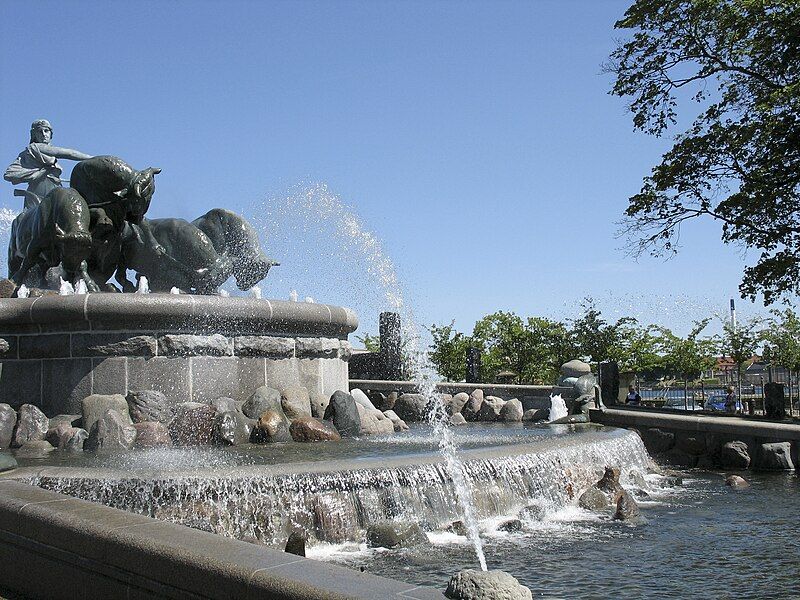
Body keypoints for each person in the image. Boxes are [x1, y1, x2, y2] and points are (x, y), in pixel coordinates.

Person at [4, 119, 93, 208]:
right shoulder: (36, 147)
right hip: (42, 190)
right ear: (34, 135)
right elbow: (70, 153)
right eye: (39, 131)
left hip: (55, 187)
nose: (43, 134)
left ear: (51, 134)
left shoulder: (32, 152)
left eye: (46, 130)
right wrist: (93, 158)